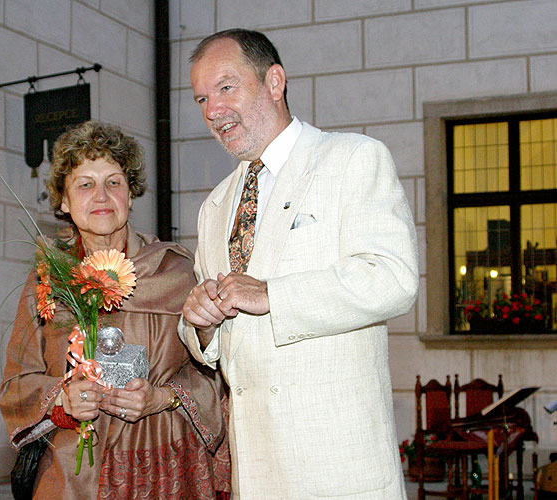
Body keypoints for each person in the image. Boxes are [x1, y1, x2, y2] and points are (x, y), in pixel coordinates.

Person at [178, 29, 418, 500]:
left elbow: (393, 277)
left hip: (338, 469)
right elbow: (217, 342)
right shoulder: (215, 205)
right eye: (202, 98)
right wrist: (201, 324)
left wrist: (272, 294)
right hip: (256, 472)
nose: (212, 111)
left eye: (226, 88)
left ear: (274, 81)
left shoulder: (351, 159)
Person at [0, 121, 230, 500]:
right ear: (64, 201)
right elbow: (15, 386)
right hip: (77, 474)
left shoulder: (178, 271)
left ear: (131, 194)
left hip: (168, 462)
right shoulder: (47, 281)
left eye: (114, 182)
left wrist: (163, 397)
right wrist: (63, 398)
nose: (101, 195)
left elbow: (216, 374)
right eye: (85, 184)